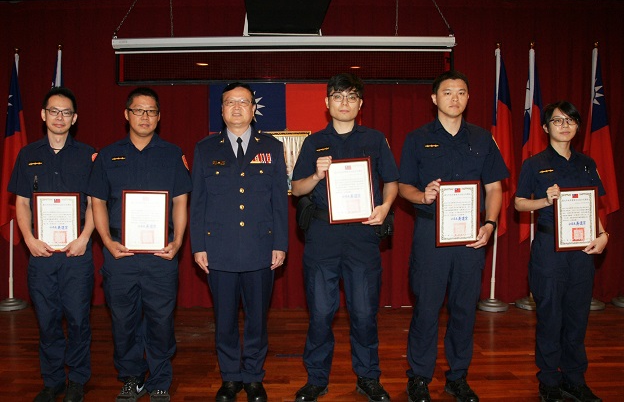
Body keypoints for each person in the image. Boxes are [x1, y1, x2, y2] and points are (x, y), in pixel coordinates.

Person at [398, 70, 509, 402]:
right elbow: (403, 186)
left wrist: (489, 224)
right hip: (430, 236)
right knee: (427, 309)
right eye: (447, 93)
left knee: (464, 310)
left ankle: (458, 377)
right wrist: (423, 195)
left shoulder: (482, 138)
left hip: (470, 236)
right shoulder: (416, 138)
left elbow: (495, 188)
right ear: (434, 99)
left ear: (468, 97)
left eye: (461, 92)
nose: (455, 98)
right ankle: (418, 377)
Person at [290, 73, 399, 402]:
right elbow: (297, 189)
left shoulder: (376, 139)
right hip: (323, 236)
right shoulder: (313, 143)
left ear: (360, 104)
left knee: (364, 313)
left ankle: (368, 377)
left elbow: (392, 181)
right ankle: (317, 379)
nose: (344, 103)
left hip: (363, 236)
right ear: (327, 103)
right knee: (321, 314)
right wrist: (316, 174)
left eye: (352, 97)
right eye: (338, 97)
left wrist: (385, 206)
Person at [87, 87, 191, 402]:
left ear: (159, 117)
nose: (144, 117)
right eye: (138, 110)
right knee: (123, 320)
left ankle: (159, 379)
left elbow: (180, 202)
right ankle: (132, 377)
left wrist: (177, 242)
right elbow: (97, 202)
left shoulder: (173, 154)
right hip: (120, 252)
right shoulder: (107, 155)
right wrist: (106, 241)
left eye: (151, 111)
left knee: (161, 319)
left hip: (161, 253)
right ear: (126, 115)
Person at [190, 82, 288, 402]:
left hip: (261, 247)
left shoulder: (271, 147)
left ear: (252, 109)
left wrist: (281, 243)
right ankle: (231, 377)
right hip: (220, 249)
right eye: (229, 102)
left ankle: (254, 377)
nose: (236, 108)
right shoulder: (206, 149)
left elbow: (278, 201)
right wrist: (198, 245)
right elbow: (198, 202)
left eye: (243, 102)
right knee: (226, 320)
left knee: (258, 319)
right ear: (221, 110)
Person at [514, 101, 608, 402]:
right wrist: (544, 200)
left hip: (581, 250)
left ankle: (574, 378)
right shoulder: (533, 163)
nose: (565, 125)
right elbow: (518, 203)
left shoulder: (587, 164)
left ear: (578, 127)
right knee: (550, 315)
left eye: (570, 120)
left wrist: (604, 234)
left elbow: (595, 207)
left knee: (578, 316)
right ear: (545, 127)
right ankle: (549, 380)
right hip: (548, 250)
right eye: (557, 121)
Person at [8, 87, 95, 402]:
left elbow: (95, 205)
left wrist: (85, 238)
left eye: (66, 112)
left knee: (78, 319)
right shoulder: (27, 154)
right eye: (54, 111)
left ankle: (77, 380)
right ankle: (54, 380)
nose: (60, 117)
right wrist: (29, 239)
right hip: (41, 255)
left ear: (74, 119)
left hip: (77, 256)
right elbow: (21, 204)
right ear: (43, 114)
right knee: (46, 321)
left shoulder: (89, 155)